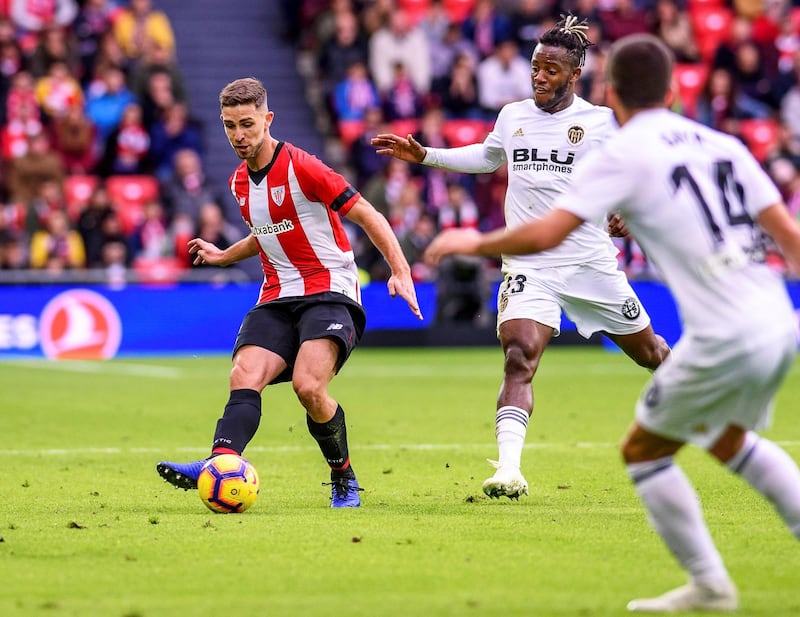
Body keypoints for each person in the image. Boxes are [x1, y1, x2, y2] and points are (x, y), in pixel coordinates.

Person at [424, 33, 800, 613]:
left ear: (606, 91)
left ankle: (710, 586)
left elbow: (554, 227)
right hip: (775, 320)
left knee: (656, 444)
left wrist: (470, 240)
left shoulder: (620, 144)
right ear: (674, 90)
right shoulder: (723, 144)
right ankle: (513, 468)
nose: (540, 76)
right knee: (725, 439)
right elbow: (788, 239)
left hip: (707, 322)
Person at [371, 15, 670, 500]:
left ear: (574, 75)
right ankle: (508, 469)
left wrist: (628, 213)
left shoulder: (600, 123)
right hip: (530, 265)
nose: (539, 77)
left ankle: (710, 404)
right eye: (535, 67)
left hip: (590, 263)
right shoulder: (512, 116)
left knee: (652, 354)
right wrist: (426, 155)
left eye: (551, 70)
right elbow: (489, 158)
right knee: (518, 357)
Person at [156, 77, 422, 508]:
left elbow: (369, 214)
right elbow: (268, 232)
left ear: (268, 119)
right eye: (229, 126)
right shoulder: (238, 183)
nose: (238, 136)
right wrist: (226, 255)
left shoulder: (305, 168)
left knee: (308, 387)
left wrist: (400, 268)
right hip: (278, 293)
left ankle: (343, 475)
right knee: (244, 375)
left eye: (247, 124)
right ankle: (219, 462)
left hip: (330, 289)